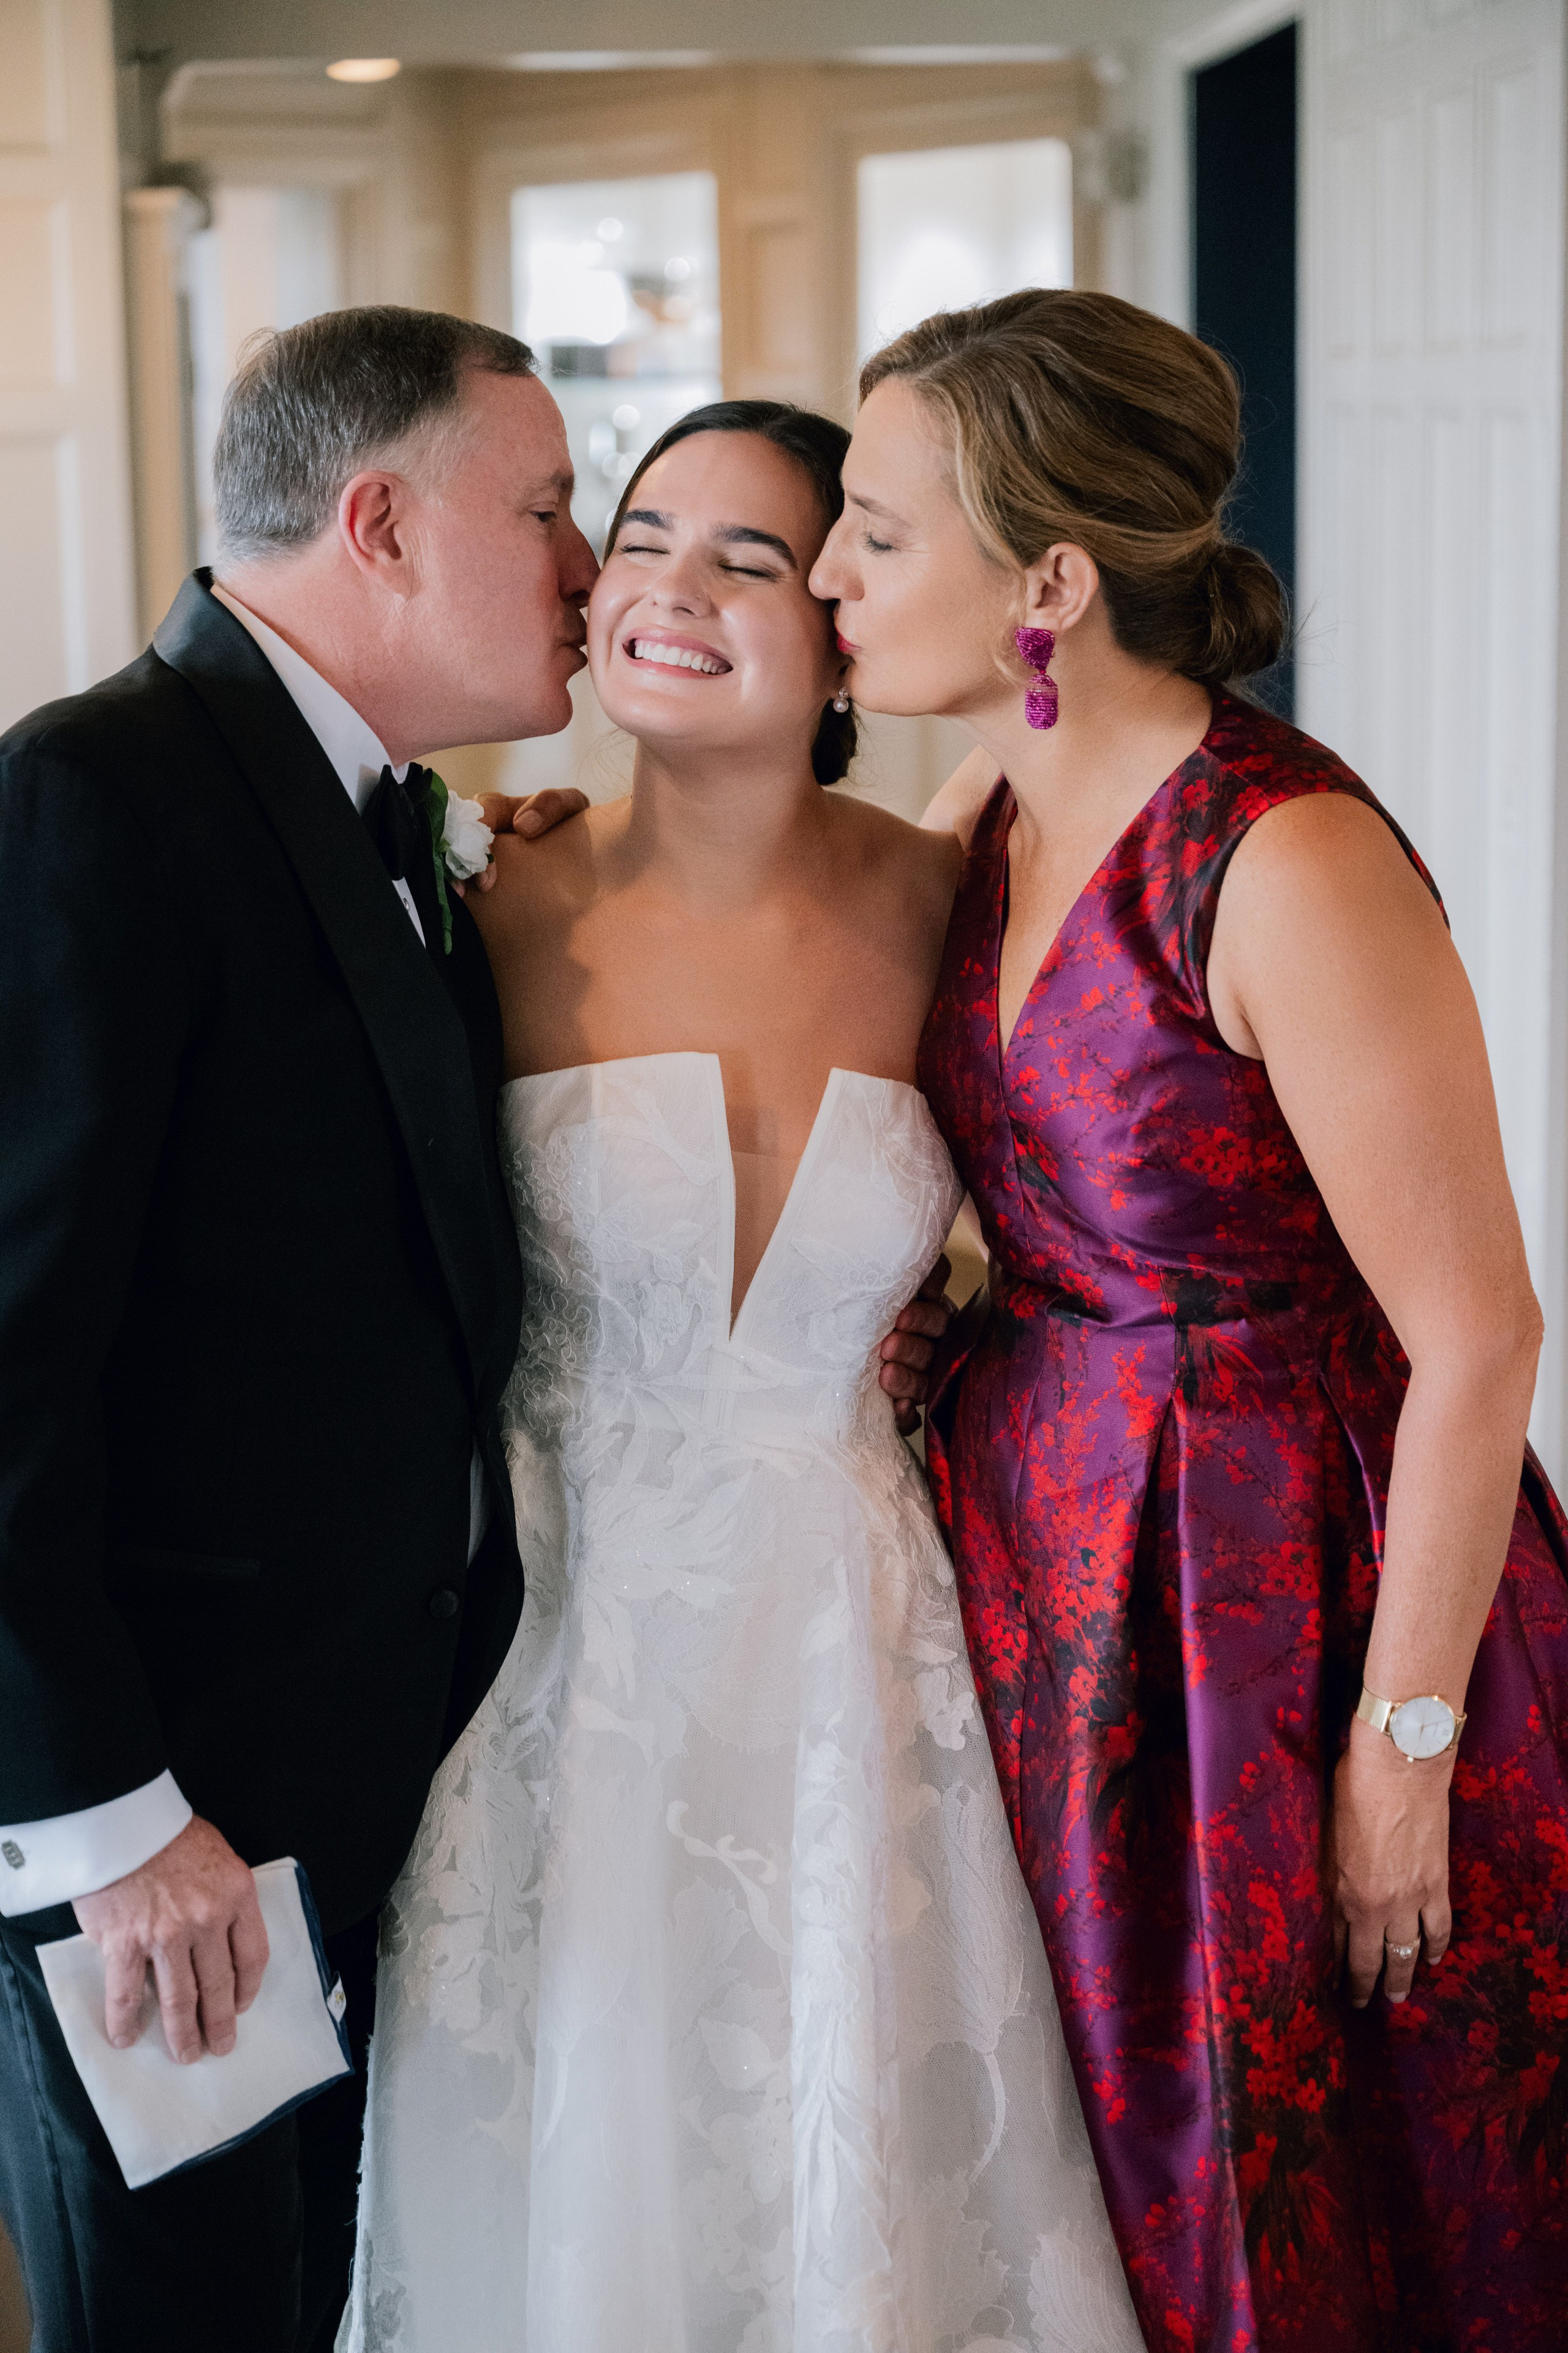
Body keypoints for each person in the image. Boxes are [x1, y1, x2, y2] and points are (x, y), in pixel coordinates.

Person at [0, 311, 946, 2353]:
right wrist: (112, 1816)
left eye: (741, 555)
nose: (604, 577)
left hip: (446, 1758)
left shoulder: (417, 842)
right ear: (383, 527)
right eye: (565, 515)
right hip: (172, 1828)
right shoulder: (96, 797)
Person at [339, 401, 1145, 2353]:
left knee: (861, 2205)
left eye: (751, 558)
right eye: (638, 536)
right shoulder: (466, 901)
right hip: (556, 1667)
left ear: (842, 629)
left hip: (862, 1689)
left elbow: (1095, 1209)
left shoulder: (971, 908)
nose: (665, 589)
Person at [809, 286, 1568, 2351]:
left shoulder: (1283, 857)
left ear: (1050, 578)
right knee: (1110, 2163)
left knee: (1320, 2169)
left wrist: (1401, 1752)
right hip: (1058, 1572)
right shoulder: (986, 813)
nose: (828, 569)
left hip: (1289, 1597)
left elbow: (1481, 1331)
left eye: (879, 528)